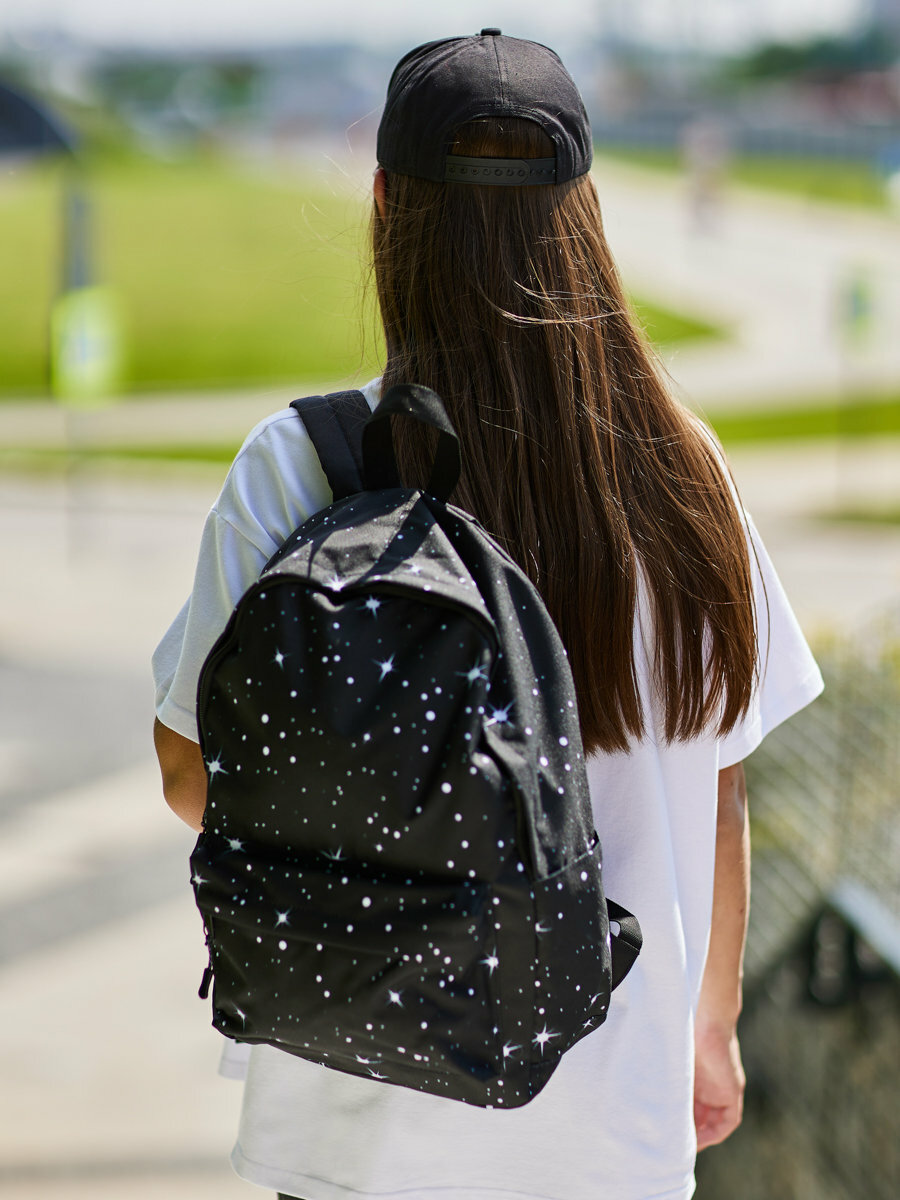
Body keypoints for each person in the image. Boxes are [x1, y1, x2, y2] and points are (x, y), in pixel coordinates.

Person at [153, 30, 823, 1200]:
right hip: (614, 1139)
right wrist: (710, 1031)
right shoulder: (687, 473)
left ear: (382, 205)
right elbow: (721, 781)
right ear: (586, 216)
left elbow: (191, 776)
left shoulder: (303, 468)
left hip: (354, 1134)